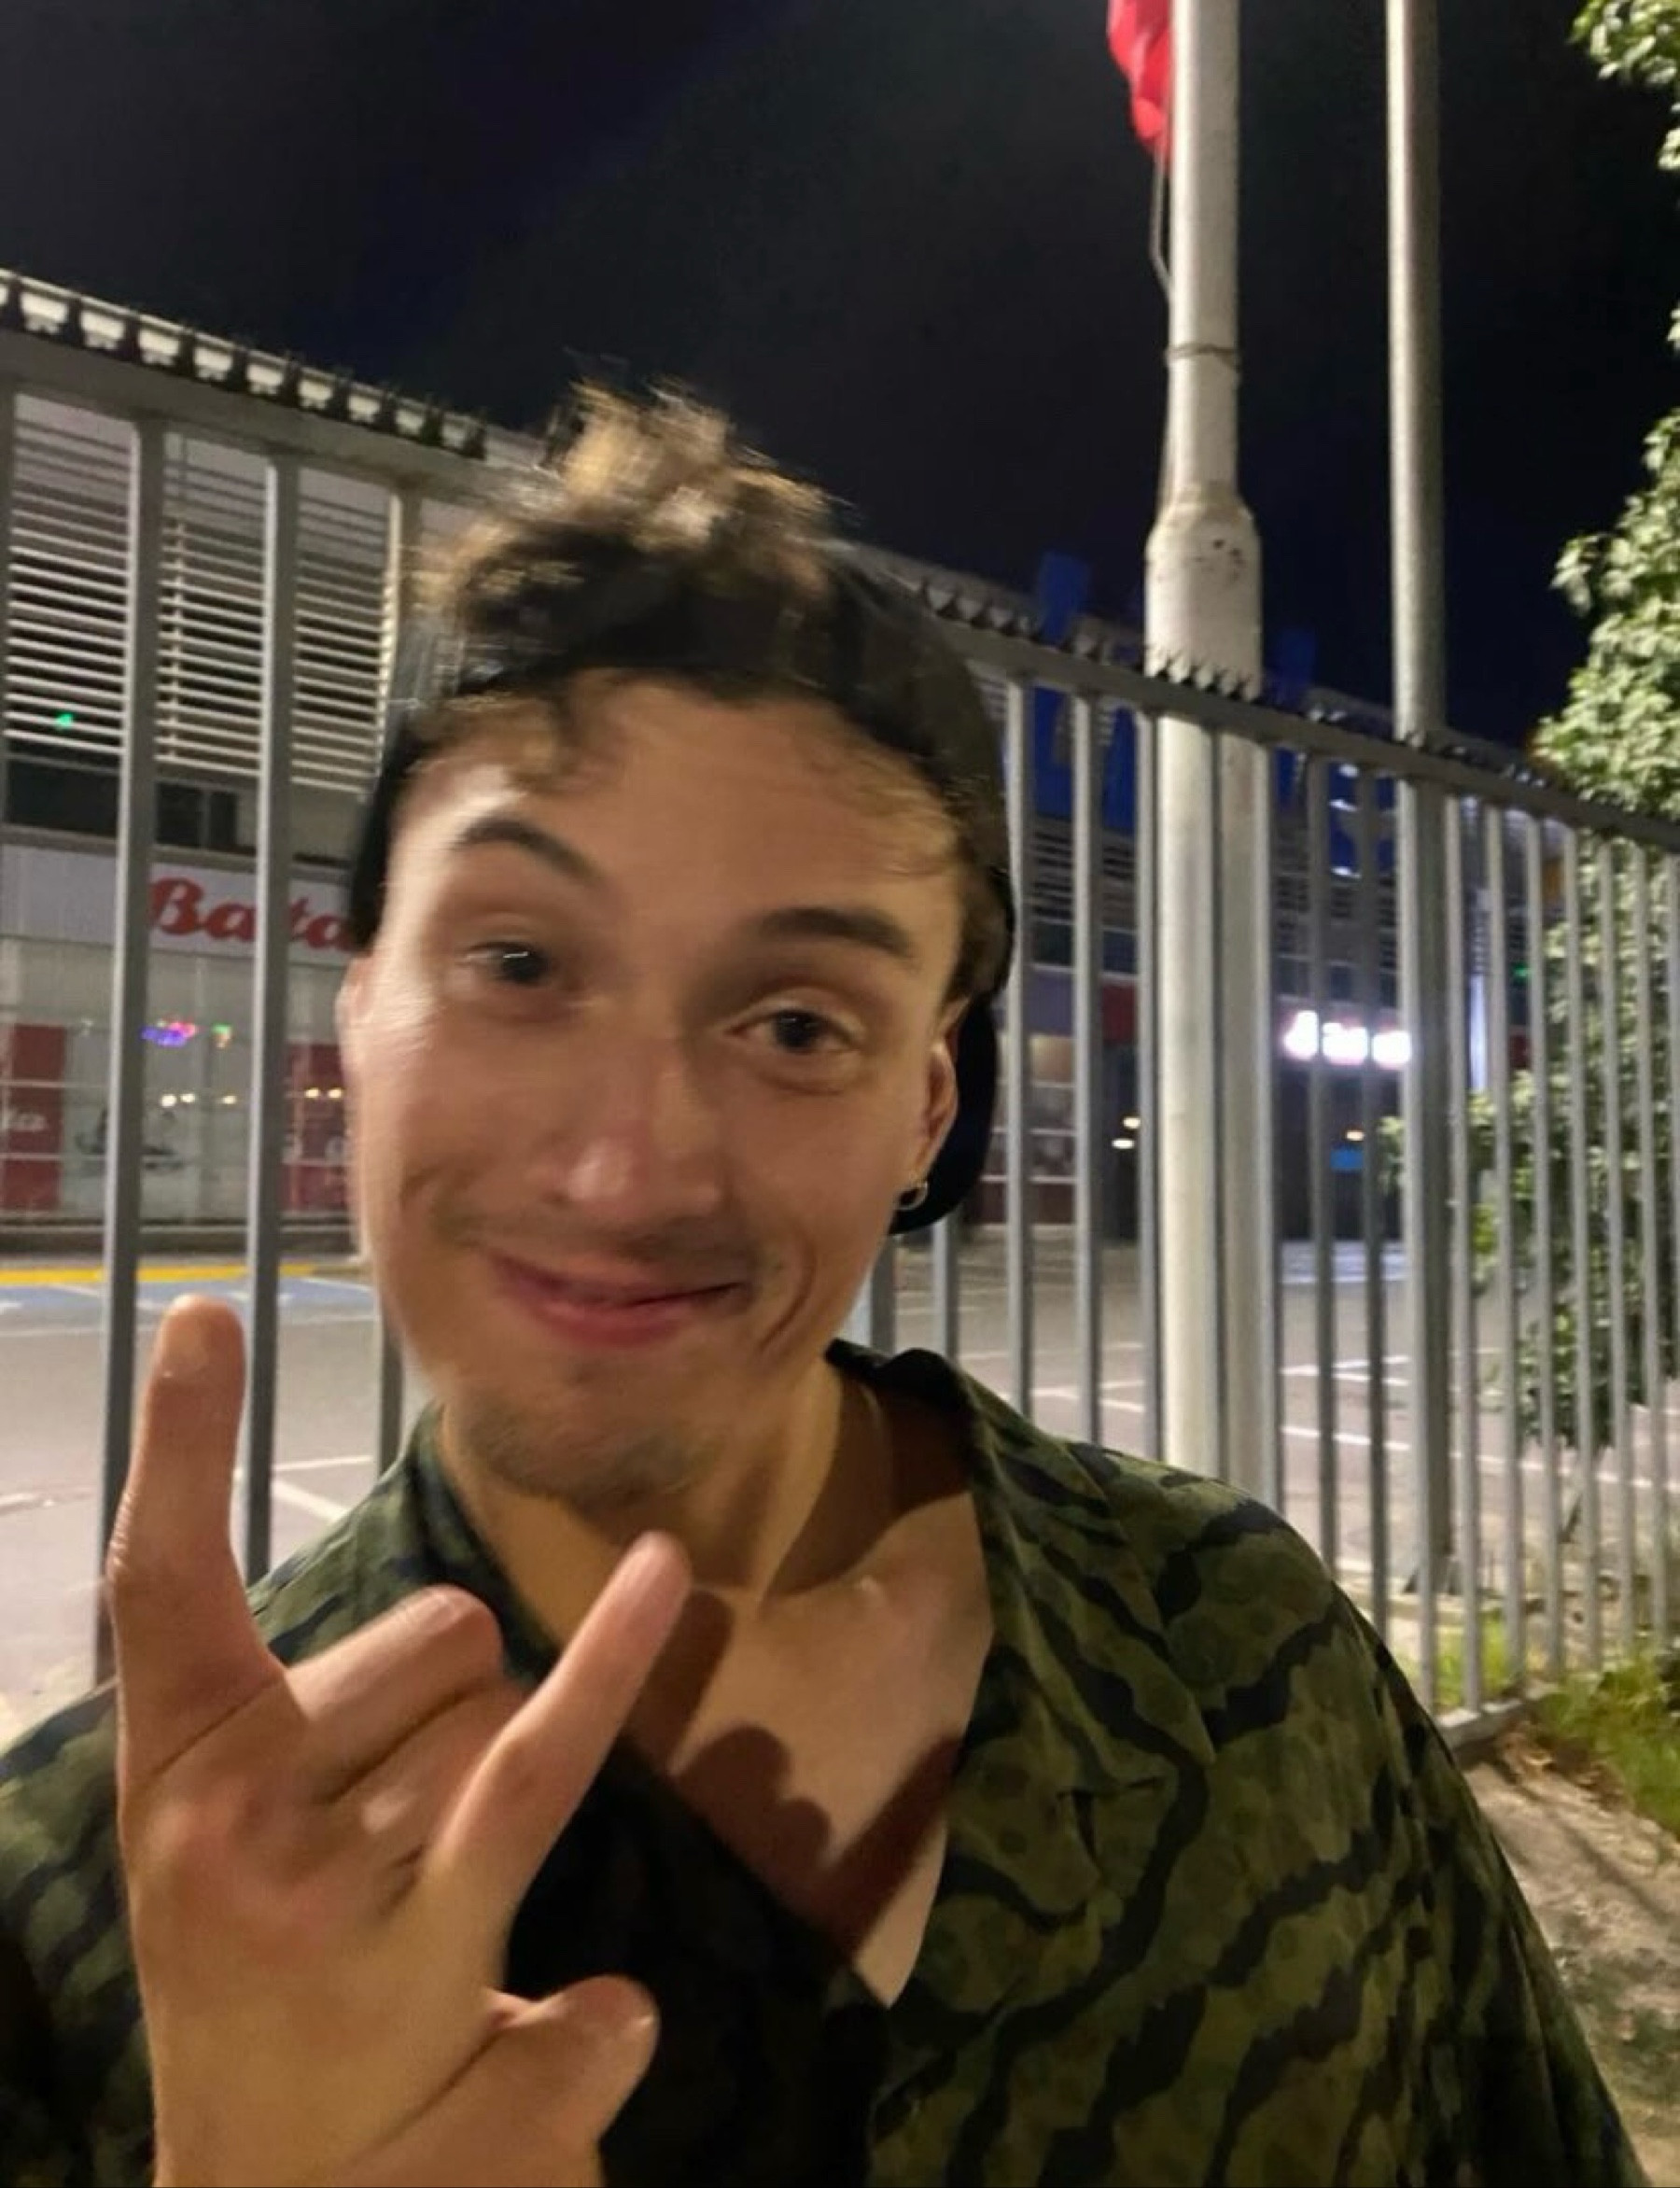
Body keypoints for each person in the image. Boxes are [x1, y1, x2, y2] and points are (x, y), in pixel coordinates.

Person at [0, 392, 1645, 2188]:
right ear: (357, 1012)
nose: (627, 1172)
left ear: (926, 1109)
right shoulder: (85, 1904)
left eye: (796, 1025)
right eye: (520, 962)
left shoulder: (1240, 1645)